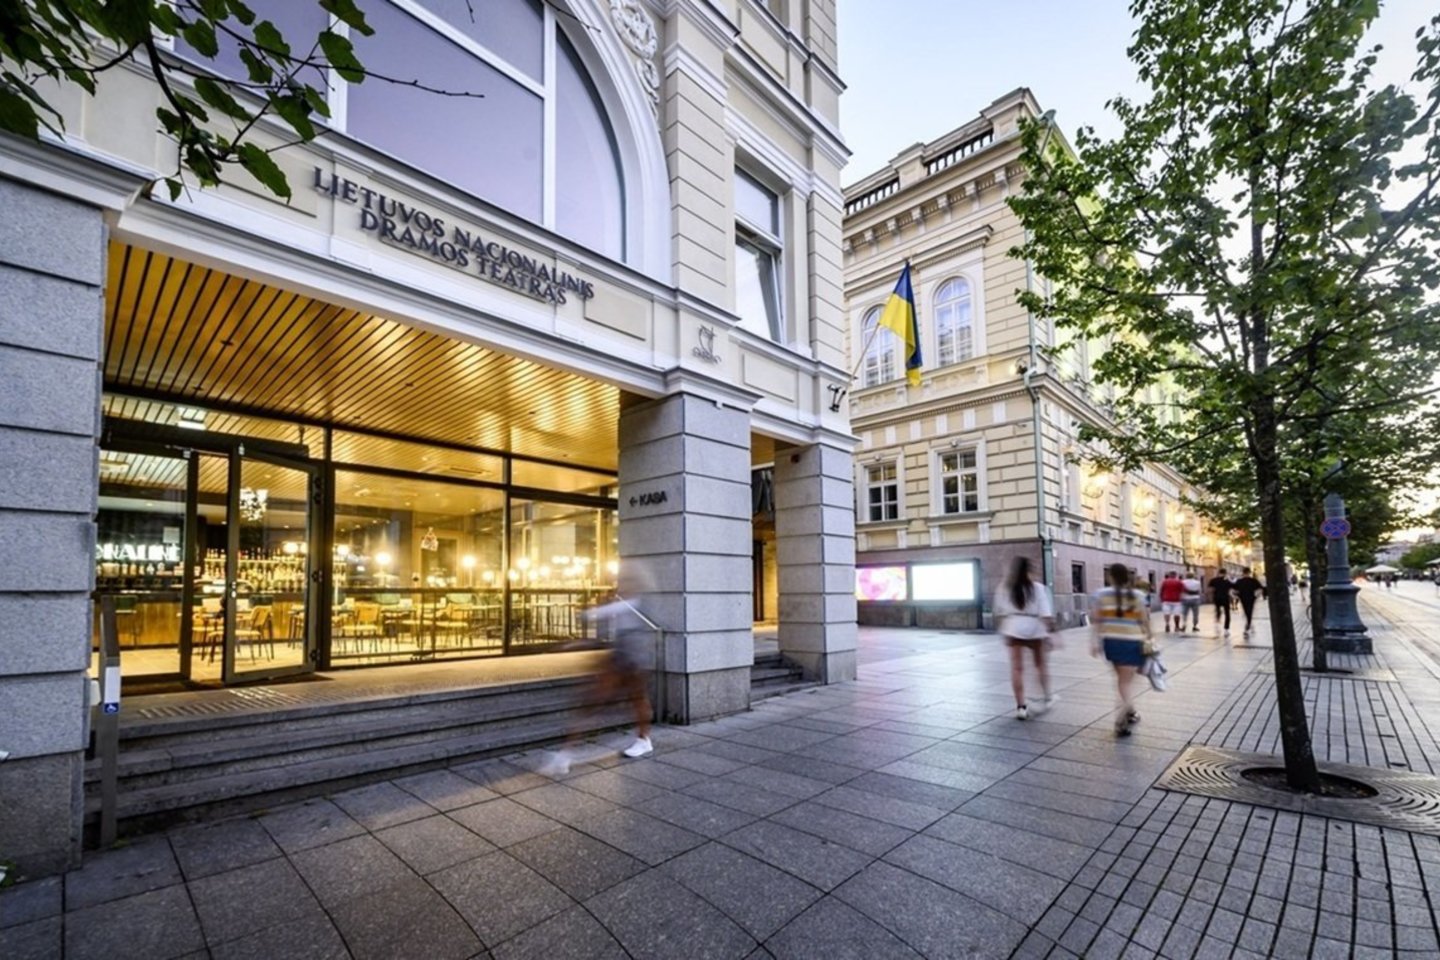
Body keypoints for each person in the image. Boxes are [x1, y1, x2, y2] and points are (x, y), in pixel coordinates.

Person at [540, 566, 657, 775]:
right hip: (622, 655)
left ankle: (643, 739)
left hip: (634, 657)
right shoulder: (623, 602)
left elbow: (609, 613)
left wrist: (589, 613)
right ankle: (565, 754)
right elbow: (609, 622)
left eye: (627, 580)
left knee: (631, 699)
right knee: (596, 701)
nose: (622, 584)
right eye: (622, 580)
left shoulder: (636, 603)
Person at [1092, 563, 1152, 737]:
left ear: (1110, 577)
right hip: (1133, 642)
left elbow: (1097, 620)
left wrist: (1094, 641)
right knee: (1126, 683)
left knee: (1121, 681)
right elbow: (1144, 621)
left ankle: (1130, 711)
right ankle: (1121, 718)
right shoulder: (1138, 596)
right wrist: (1150, 638)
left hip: (1111, 642)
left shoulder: (1101, 595)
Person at [993, 556, 1057, 720]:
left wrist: (1003, 630)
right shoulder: (1038, 588)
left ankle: (1021, 707)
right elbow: (1046, 614)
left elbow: (998, 612)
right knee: (1040, 665)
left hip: (1013, 627)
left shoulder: (1004, 587)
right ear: (1029, 571)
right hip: (1034, 628)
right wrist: (1051, 633)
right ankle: (1047, 696)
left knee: (1017, 669)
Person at [1233, 567, 1266, 639]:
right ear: (1249, 573)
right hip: (1251, 598)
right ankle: (1248, 627)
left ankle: (1248, 627)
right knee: (1249, 612)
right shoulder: (1253, 580)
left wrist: (1236, 596)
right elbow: (1261, 588)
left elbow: (1234, 590)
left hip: (1243, 599)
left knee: (1247, 612)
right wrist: (1257, 596)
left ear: (1243, 573)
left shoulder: (1239, 581)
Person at [1209, 569, 1234, 638]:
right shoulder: (1227, 581)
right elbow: (1232, 587)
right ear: (1225, 573)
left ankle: (1217, 627)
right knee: (1227, 614)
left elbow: (1211, 589)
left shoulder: (1213, 580)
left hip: (1217, 598)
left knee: (1218, 612)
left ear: (1218, 573)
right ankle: (1226, 630)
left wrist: (1211, 597)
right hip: (1225, 599)